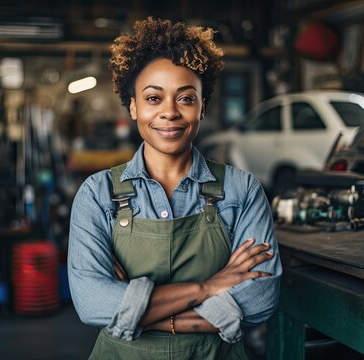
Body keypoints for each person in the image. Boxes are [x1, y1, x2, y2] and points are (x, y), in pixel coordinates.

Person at [68, 17, 282, 359]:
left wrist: (133, 313)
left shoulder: (241, 191)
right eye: (153, 98)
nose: (169, 112)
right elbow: (93, 305)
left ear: (202, 106)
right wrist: (207, 287)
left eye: (185, 98)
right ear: (134, 107)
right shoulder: (97, 195)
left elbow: (260, 301)